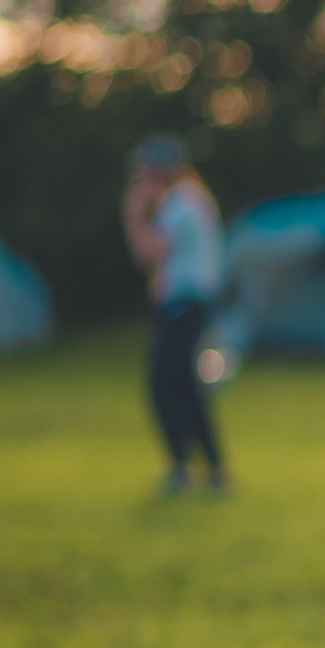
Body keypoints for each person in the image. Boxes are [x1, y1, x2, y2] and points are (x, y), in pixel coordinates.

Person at [121, 133, 228, 494]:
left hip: (186, 305)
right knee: (181, 385)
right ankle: (205, 467)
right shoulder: (186, 200)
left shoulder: (182, 203)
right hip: (184, 304)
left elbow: (149, 254)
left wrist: (134, 215)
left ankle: (190, 467)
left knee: (166, 386)